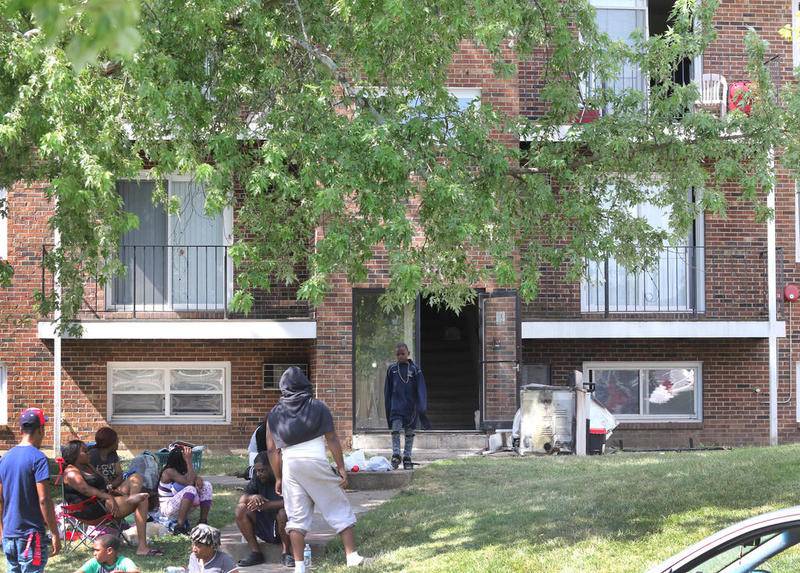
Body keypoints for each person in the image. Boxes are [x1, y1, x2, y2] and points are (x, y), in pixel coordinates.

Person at [266, 366, 366, 572]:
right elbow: (332, 438)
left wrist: (278, 477)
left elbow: (271, 450)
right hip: (314, 460)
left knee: (296, 518)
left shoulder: (274, 413)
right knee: (337, 505)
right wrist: (341, 468)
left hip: (291, 466)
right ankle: (352, 556)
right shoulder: (318, 406)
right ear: (305, 384)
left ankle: (300, 567)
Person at [61, 440, 161, 557]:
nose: (89, 453)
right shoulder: (71, 472)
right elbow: (85, 490)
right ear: (74, 455)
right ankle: (142, 548)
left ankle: (132, 497)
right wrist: (108, 496)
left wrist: (112, 491)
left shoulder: (88, 466)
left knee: (135, 477)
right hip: (90, 509)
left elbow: (104, 482)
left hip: (103, 501)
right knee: (142, 500)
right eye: (84, 451)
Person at [0, 408, 61, 573]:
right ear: (41, 429)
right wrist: (55, 532)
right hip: (31, 536)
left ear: (21, 430)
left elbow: (0, 498)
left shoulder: (5, 457)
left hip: (9, 535)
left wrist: (2, 530)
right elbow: (44, 499)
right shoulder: (38, 458)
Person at [235, 451, 292, 568]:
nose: (259, 474)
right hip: (264, 523)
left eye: (262, 470)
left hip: (282, 525)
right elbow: (242, 499)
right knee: (240, 509)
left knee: (283, 513)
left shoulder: (286, 477)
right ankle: (256, 553)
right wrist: (252, 496)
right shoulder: (257, 478)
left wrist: (268, 505)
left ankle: (286, 553)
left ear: (272, 467)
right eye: (257, 471)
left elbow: (294, 502)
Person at [383, 342, 430, 470]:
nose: (400, 356)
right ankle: (396, 454)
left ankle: (407, 456)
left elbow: (421, 389)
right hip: (396, 407)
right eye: (398, 354)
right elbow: (387, 391)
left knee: (409, 433)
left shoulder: (415, 369)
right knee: (396, 431)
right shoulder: (392, 370)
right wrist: (388, 407)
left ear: (408, 354)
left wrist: (421, 406)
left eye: (403, 354)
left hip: (411, 409)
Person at [158, 446, 213, 534]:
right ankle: (179, 527)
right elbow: (190, 482)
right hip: (168, 508)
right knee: (190, 489)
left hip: (182, 506)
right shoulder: (169, 472)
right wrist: (189, 461)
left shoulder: (183, 470)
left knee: (207, 485)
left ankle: (203, 521)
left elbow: (193, 479)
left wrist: (198, 478)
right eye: (186, 457)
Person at [74, 534, 139, 573]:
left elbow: (135, 572)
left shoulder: (124, 562)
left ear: (109, 551)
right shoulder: (94, 562)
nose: (94, 553)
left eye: (97, 550)